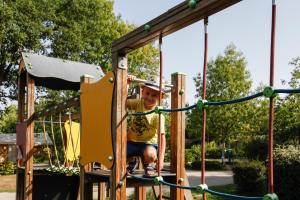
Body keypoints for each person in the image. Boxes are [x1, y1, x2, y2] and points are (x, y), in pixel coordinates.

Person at [126, 75, 167, 176]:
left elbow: (162, 138)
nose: (149, 97)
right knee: (118, 152)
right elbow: (123, 102)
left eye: (154, 95)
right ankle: (132, 161)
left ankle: (148, 164)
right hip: (132, 141)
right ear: (142, 91)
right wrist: (127, 84)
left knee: (150, 155)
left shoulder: (158, 114)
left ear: (160, 97)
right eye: (147, 93)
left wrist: (161, 160)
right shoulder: (138, 103)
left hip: (148, 143)